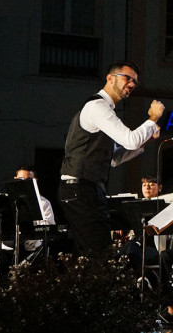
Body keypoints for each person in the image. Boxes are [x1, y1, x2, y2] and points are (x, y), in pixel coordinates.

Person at [58, 62, 164, 256]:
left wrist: (146, 141)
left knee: (90, 255)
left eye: (135, 82)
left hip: (85, 189)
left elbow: (113, 159)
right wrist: (152, 119)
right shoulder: (97, 107)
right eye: (127, 78)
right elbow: (130, 140)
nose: (132, 84)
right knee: (99, 253)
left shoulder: (106, 112)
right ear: (110, 78)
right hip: (80, 189)